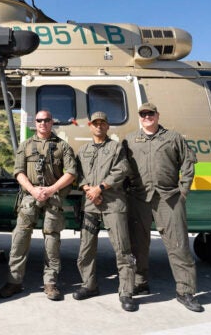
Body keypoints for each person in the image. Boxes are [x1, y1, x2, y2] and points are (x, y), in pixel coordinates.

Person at [124, 102, 203, 312]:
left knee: (179, 245)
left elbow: (188, 163)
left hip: (168, 197)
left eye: (151, 113)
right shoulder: (130, 140)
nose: (147, 117)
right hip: (139, 198)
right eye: (143, 114)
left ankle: (185, 292)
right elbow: (122, 168)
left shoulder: (173, 137)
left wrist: (183, 191)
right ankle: (139, 283)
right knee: (137, 245)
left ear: (158, 115)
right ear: (139, 117)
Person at [0, 110, 77, 301]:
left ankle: (50, 282)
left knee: (52, 240)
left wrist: (50, 190)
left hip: (53, 198)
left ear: (52, 122)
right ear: (35, 123)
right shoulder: (25, 146)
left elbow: (72, 172)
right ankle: (14, 281)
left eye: (47, 120)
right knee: (20, 238)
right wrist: (33, 190)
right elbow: (18, 172)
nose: (43, 123)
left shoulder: (62, 146)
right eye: (39, 120)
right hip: (29, 197)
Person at [73, 112, 138, 312]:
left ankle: (126, 292)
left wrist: (99, 188)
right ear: (90, 126)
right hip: (91, 204)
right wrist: (88, 190)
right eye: (95, 123)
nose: (99, 126)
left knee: (122, 249)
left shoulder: (116, 147)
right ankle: (89, 285)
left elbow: (121, 170)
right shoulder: (83, 150)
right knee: (86, 248)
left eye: (103, 123)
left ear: (107, 126)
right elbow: (78, 174)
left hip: (113, 204)